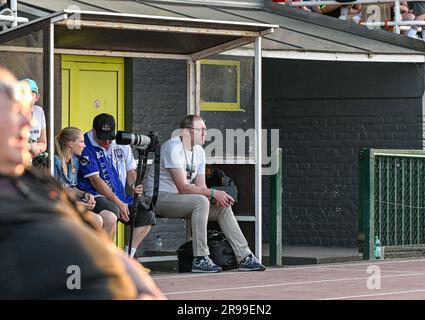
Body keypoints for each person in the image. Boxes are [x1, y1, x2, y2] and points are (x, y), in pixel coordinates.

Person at [0, 66, 165, 299]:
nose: (27, 122)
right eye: (15, 111)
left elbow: (99, 247)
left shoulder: (37, 183)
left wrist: (141, 285)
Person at [145, 115, 266, 273]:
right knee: (201, 202)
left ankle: (244, 256)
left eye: (205, 130)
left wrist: (216, 197)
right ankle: (200, 258)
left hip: (182, 199)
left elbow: (201, 186)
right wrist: (214, 193)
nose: (205, 134)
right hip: (158, 198)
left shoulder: (199, 152)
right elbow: (183, 187)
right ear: (187, 132)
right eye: (200, 130)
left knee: (222, 207)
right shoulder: (173, 148)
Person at [77, 113, 156, 256]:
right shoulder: (85, 145)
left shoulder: (121, 141)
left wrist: (133, 184)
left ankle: (128, 256)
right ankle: (102, 260)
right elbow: (96, 181)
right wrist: (119, 203)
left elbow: (131, 169)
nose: (107, 142)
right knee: (112, 211)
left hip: (119, 194)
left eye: (110, 138)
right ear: (94, 131)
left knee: (146, 212)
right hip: (96, 194)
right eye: (102, 138)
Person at [54, 126, 107, 231]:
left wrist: (85, 194)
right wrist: (78, 204)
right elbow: (54, 194)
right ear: (71, 144)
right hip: (57, 209)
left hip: (69, 206)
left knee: (103, 219)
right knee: (96, 220)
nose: (84, 145)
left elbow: (71, 188)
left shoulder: (74, 161)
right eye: (81, 142)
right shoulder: (55, 162)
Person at [20, 78, 47, 166]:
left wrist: (37, 147)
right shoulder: (11, 112)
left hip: (31, 163)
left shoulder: (39, 111)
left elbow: (43, 142)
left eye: (30, 94)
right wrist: (31, 146)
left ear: (37, 97)